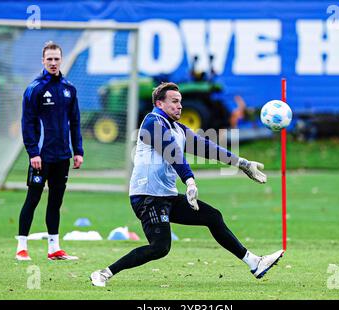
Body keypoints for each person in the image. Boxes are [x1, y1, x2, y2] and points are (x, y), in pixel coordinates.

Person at [90, 82, 283, 287]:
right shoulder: (152, 122)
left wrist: (241, 163)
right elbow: (172, 152)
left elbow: (207, 147)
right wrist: (189, 180)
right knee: (160, 248)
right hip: (147, 197)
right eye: (174, 102)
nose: (180, 106)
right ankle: (103, 273)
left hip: (166, 196)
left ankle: (255, 263)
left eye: (180, 102)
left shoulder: (178, 128)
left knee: (212, 216)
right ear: (159, 104)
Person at [15, 41, 84, 261]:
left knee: (56, 201)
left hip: (63, 156)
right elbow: (27, 123)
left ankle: (54, 248)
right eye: (49, 59)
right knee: (32, 199)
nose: (53, 63)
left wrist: (78, 151)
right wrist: (33, 152)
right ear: (43, 61)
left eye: (56, 59)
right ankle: (21, 247)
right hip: (41, 157)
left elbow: (75, 122)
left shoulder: (69, 89)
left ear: (61, 60)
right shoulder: (34, 88)